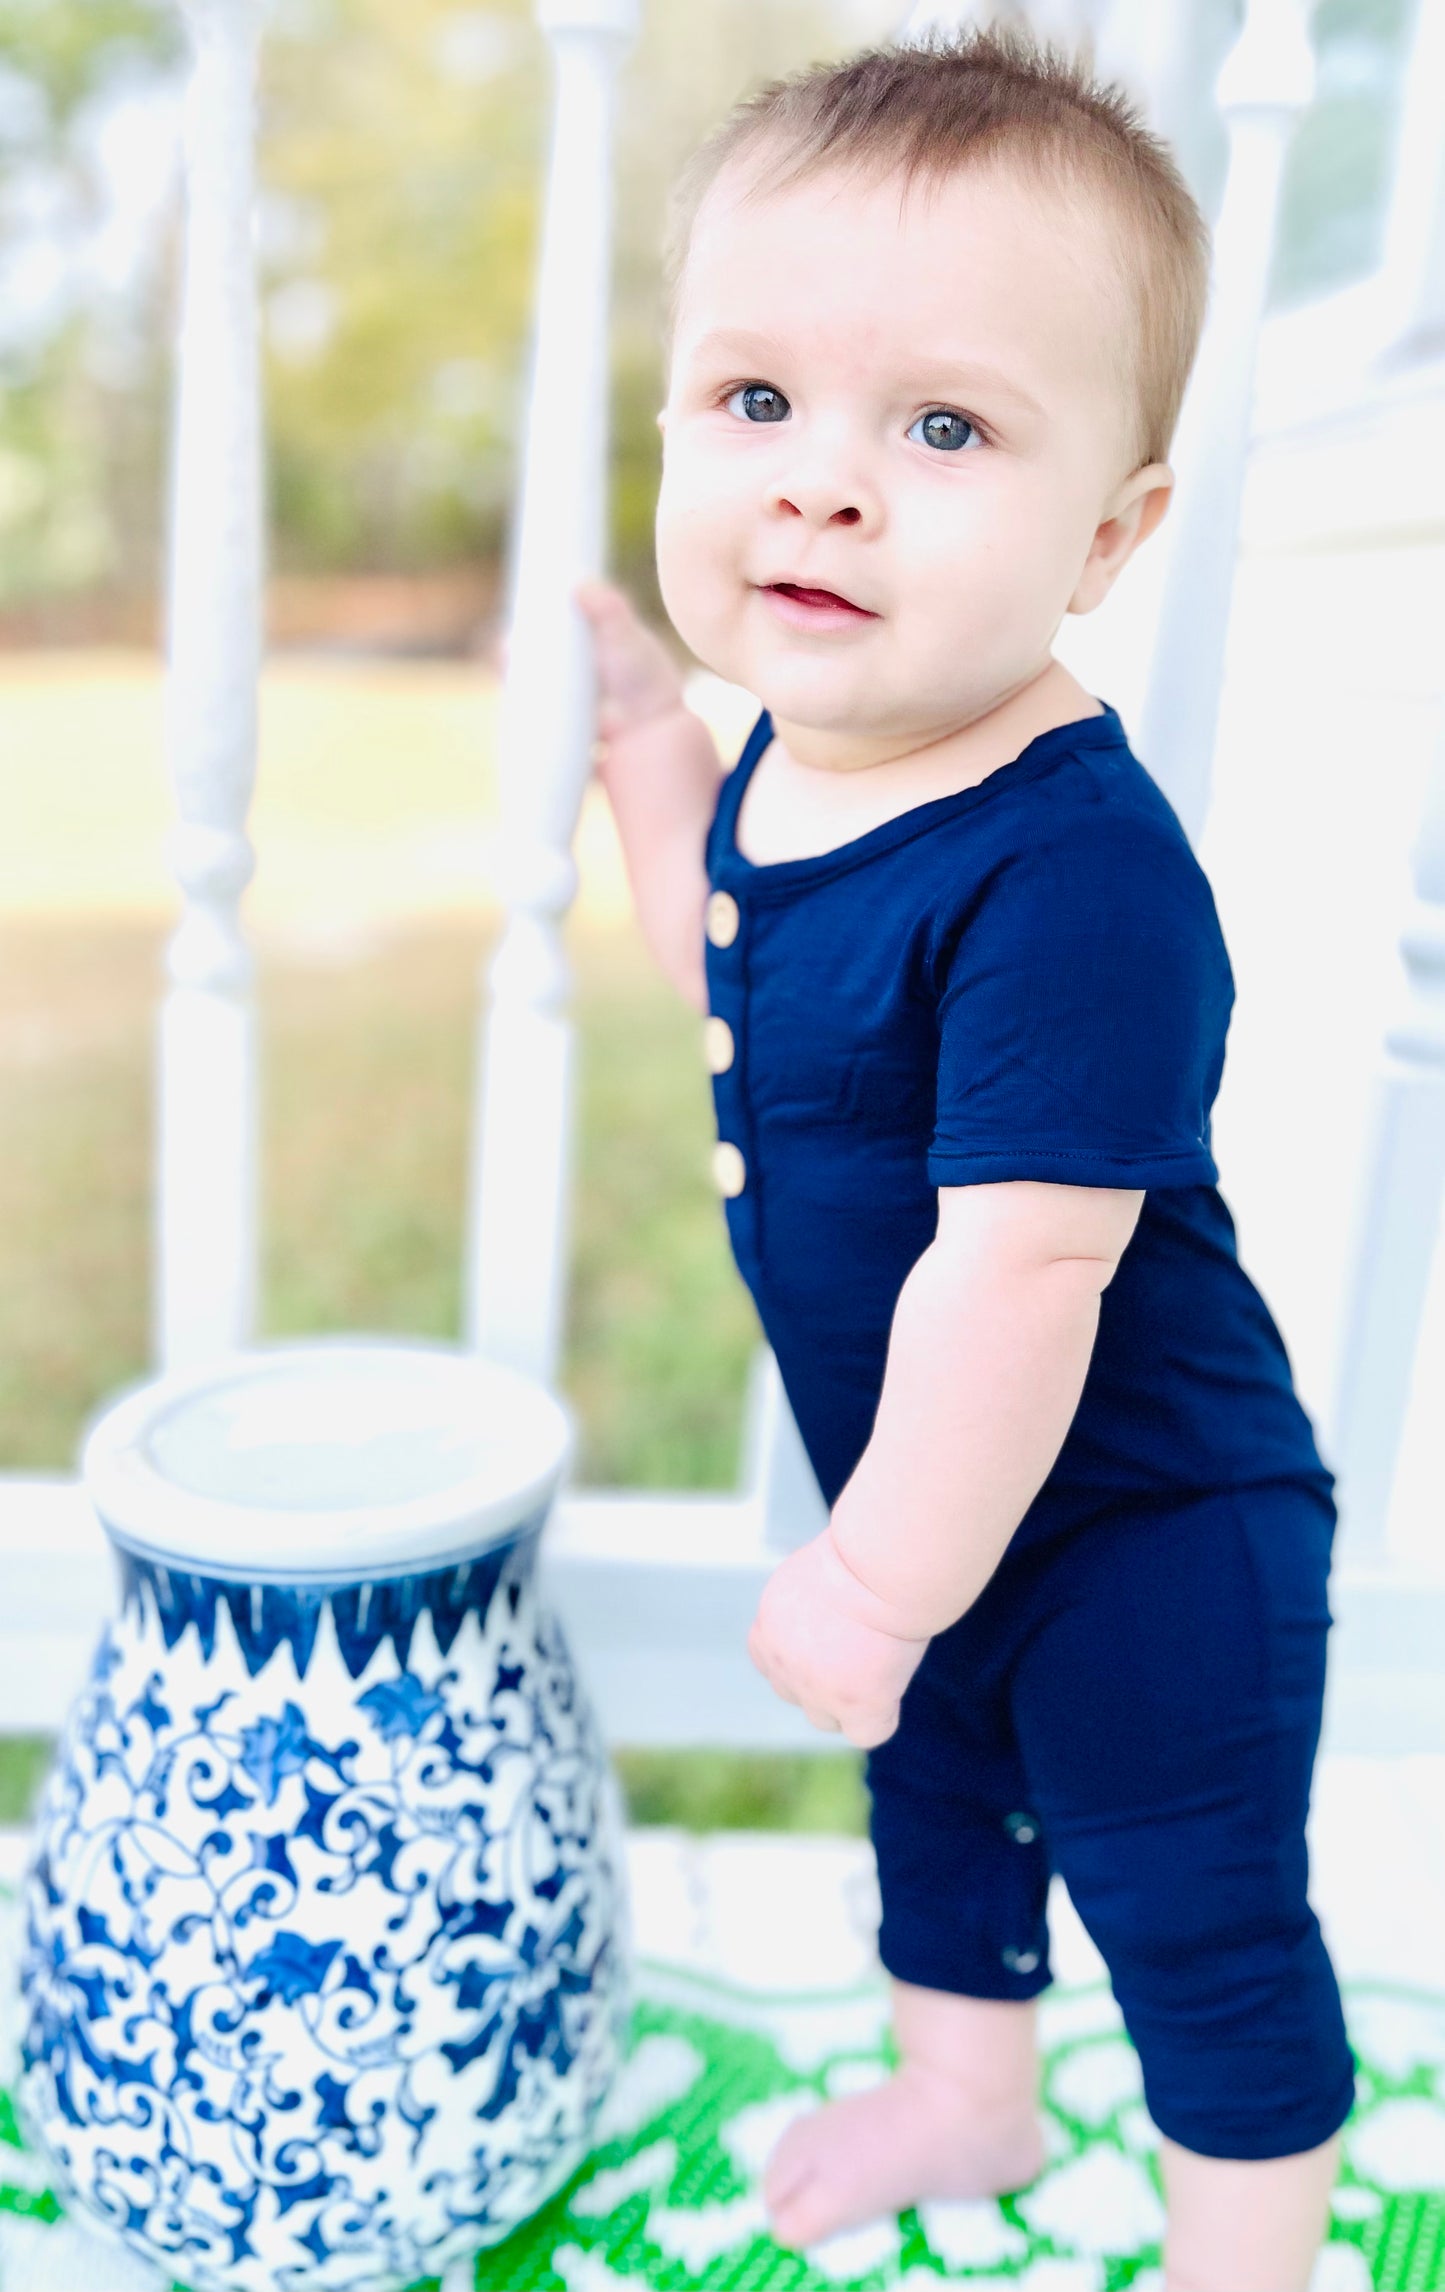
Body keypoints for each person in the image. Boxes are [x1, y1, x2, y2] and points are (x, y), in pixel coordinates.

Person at [573, 25, 1357, 2291]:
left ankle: (1249, 2253)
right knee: (936, 1804)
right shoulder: (803, 765)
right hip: (932, 1495)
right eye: (755, 403)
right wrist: (648, 753)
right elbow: (732, 971)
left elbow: (1021, 1278)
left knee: (1187, 1892)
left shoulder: (1074, 872)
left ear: (1107, 533)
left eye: (942, 426)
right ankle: (964, 2092)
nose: (823, 484)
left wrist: (877, 1582)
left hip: (1136, 1520)